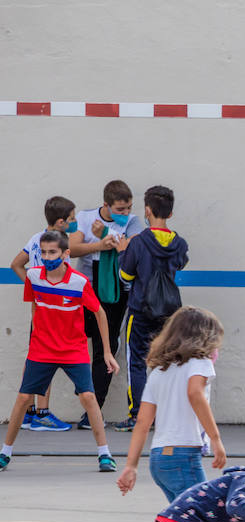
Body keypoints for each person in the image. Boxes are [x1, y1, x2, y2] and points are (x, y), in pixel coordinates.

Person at [115, 306, 229, 522]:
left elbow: (142, 423)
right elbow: (195, 393)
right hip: (184, 456)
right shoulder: (200, 363)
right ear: (204, 338)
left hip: (160, 459)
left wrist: (131, 465)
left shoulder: (159, 372)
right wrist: (216, 439)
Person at [0, 231, 119, 473]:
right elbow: (35, 305)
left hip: (73, 349)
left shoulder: (79, 282)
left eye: (52, 252)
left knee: (88, 397)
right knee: (24, 399)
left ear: (66, 254)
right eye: (43, 252)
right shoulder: (33, 276)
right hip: (42, 349)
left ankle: (105, 454)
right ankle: (5, 452)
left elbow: (100, 313)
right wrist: (36, 339)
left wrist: (107, 352)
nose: (46, 256)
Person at [113, 185, 189, 432]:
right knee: (167, 362)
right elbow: (180, 264)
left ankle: (137, 415)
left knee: (136, 361)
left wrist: (122, 252)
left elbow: (126, 275)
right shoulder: (179, 243)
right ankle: (167, 413)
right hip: (169, 312)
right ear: (171, 213)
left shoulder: (139, 242)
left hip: (140, 308)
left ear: (147, 210)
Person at [70, 180, 145, 425]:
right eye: (120, 210)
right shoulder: (85, 217)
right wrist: (100, 244)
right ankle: (85, 396)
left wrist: (107, 235)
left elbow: (132, 249)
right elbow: (72, 248)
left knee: (107, 346)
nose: (125, 214)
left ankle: (93, 410)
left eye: (128, 208)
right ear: (106, 205)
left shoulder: (133, 222)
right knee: (76, 343)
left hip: (117, 293)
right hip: (86, 289)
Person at [9, 195, 79, 431]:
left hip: (40, 309)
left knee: (35, 357)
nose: (74, 222)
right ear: (60, 222)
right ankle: (42, 413)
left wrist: (32, 286)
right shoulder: (59, 243)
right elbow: (17, 265)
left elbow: (16, 264)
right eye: (71, 219)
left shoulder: (35, 238)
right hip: (51, 311)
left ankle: (29, 411)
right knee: (46, 358)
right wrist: (34, 286)